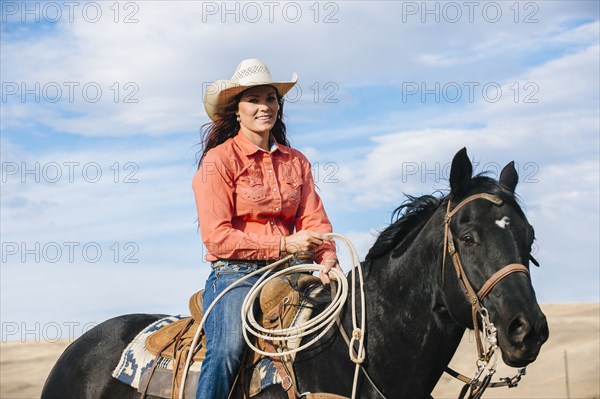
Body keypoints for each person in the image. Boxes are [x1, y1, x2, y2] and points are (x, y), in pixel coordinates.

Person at [192, 58, 339, 399]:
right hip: (235, 274)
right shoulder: (219, 162)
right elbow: (217, 237)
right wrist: (286, 246)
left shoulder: (296, 161)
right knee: (227, 349)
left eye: (270, 98)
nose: (265, 107)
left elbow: (313, 219)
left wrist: (327, 256)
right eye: (254, 100)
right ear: (236, 112)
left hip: (291, 271)